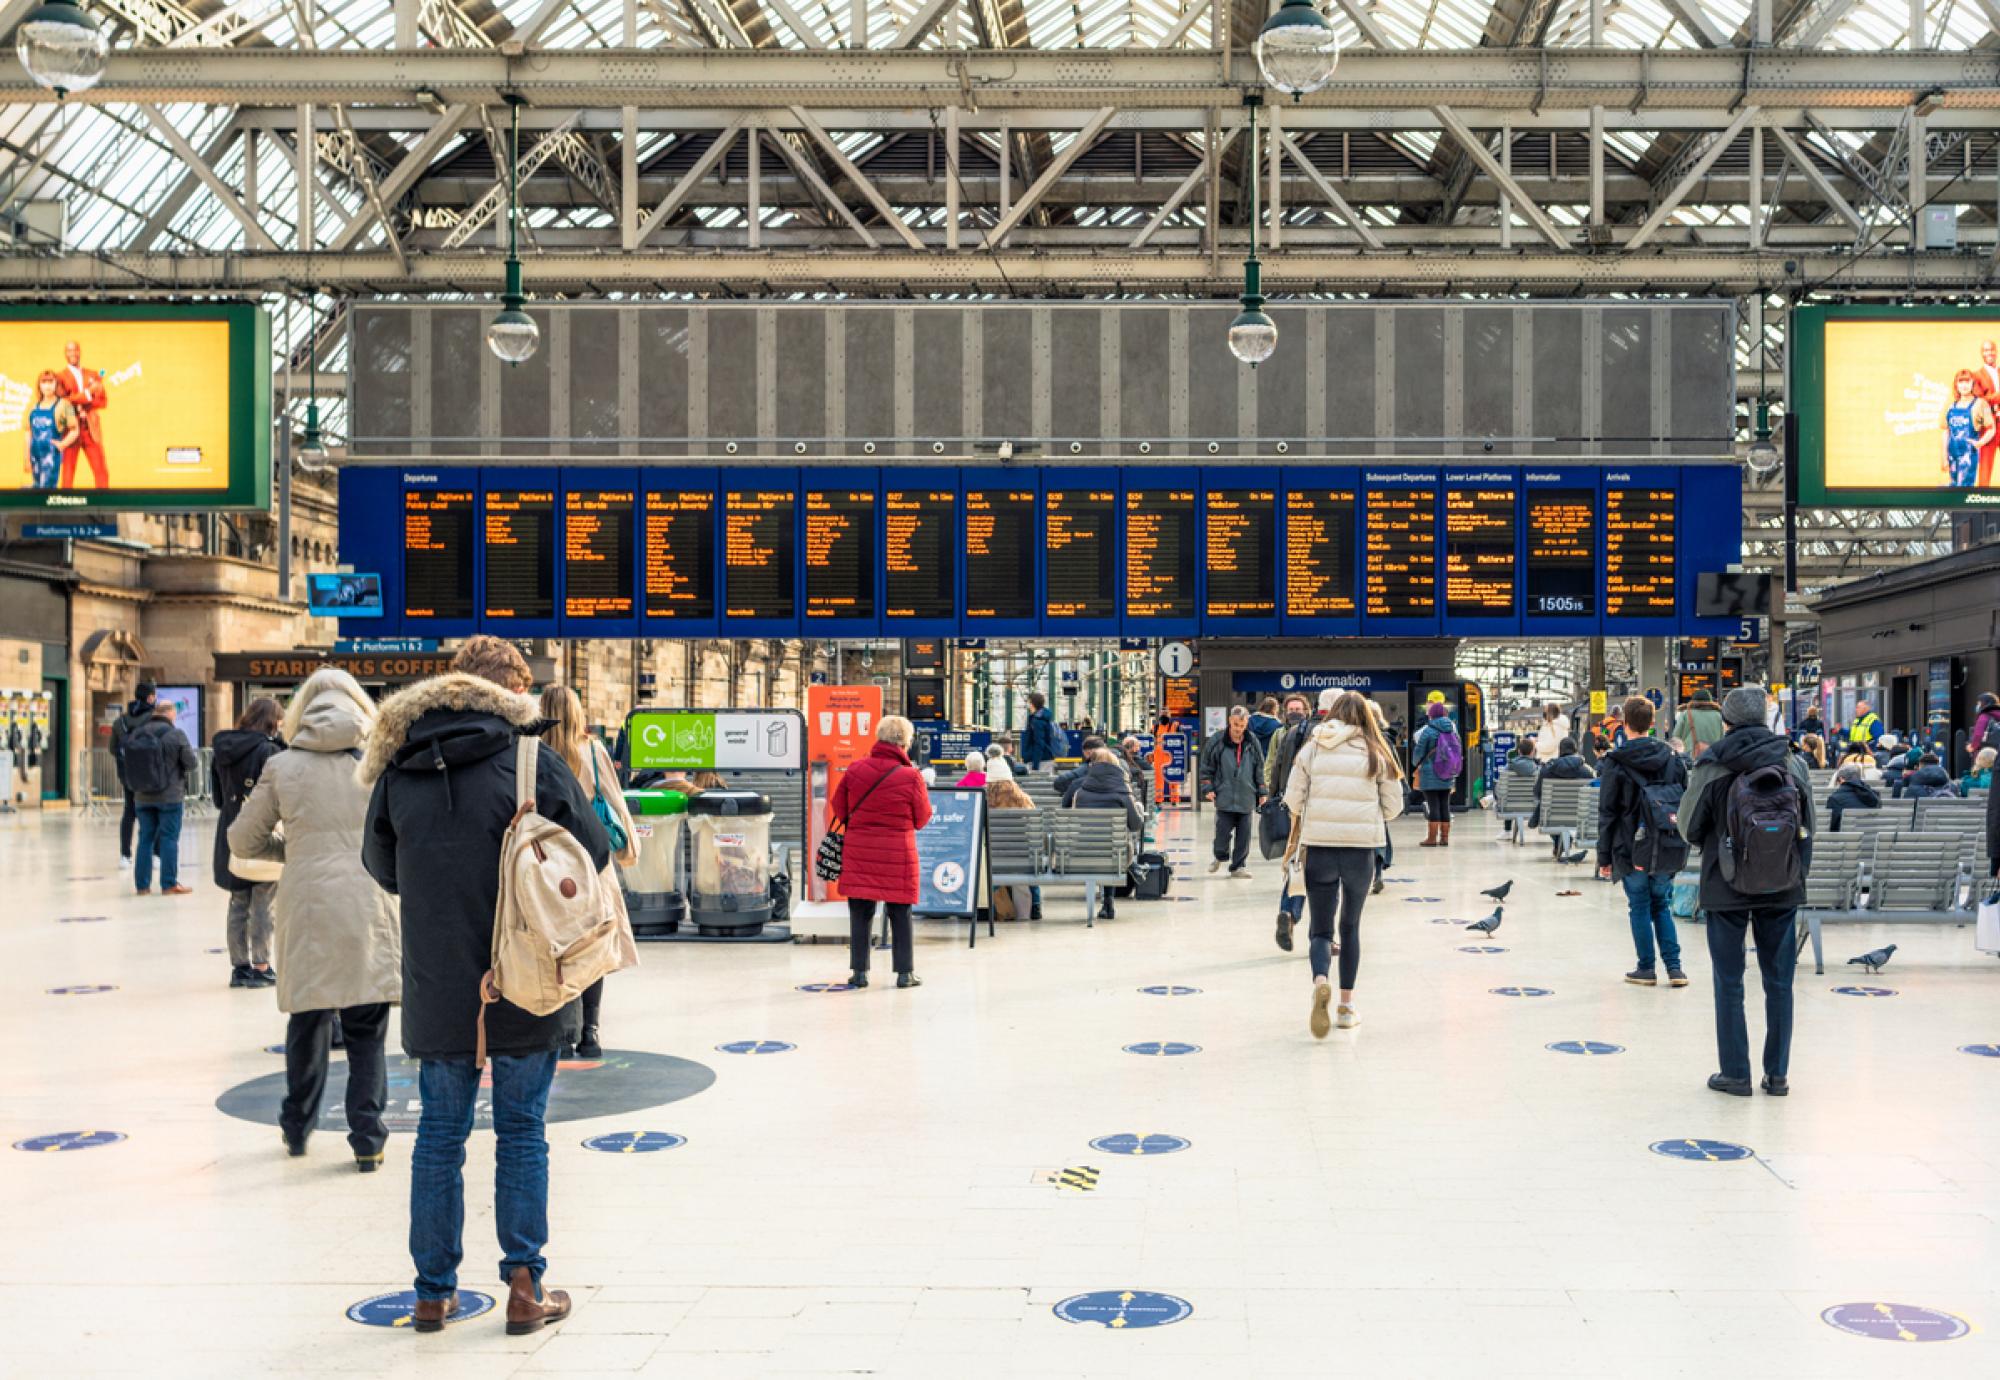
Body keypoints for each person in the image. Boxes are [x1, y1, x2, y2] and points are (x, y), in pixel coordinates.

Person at [360, 635, 608, 1334]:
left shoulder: (398, 767)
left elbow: (380, 865)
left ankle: (432, 1293)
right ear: (514, 694)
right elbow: (593, 849)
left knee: (439, 1135)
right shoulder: (534, 762)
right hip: (526, 975)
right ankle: (526, 1288)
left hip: (439, 982)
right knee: (522, 1130)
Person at [229, 669, 401, 1170]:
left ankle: (297, 1124)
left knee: (308, 1018)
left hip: (306, 903)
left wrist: (293, 850)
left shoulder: (282, 766)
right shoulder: (378, 763)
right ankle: (368, 1137)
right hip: (370, 901)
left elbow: (241, 841)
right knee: (367, 1026)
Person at [1682, 686, 1813, 1099]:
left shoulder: (1713, 764)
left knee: (1730, 981)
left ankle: (1735, 1074)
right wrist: (1795, 875)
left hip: (1726, 884)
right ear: (1765, 719)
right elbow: (1808, 826)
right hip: (1782, 885)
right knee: (1780, 983)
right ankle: (1777, 1076)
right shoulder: (1793, 762)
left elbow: (1688, 827)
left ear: (1727, 722)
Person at [1281, 691, 1402, 1037]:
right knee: (1350, 926)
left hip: (1319, 847)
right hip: (1360, 852)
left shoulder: (1313, 746)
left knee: (1321, 929)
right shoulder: (1377, 749)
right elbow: (1393, 807)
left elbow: (1292, 798)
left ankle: (1321, 980)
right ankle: (1346, 1007)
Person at [539, 686, 640, 1061]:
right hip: (592, 865)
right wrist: (629, 851)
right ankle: (590, 1032)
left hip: (547, 867)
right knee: (593, 946)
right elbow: (615, 802)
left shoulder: (533, 753)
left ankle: (563, 1034)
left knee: (559, 948)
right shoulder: (593, 752)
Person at [831, 715, 931, 989]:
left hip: (860, 851)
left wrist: (861, 824)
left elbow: (838, 807)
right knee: (900, 913)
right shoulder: (911, 776)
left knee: (860, 912)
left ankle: (860, 973)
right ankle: (904, 973)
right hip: (897, 855)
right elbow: (922, 818)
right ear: (905, 743)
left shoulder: (855, 769)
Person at [1595, 696, 1689, 989]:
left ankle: (1646, 969)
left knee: (1639, 905)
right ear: (1653, 723)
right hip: (1666, 842)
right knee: (1662, 903)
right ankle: (1675, 970)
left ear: (1624, 724)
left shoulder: (1615, 761)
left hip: (1630, 845)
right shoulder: (1673, 759)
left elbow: (1608, 812)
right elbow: (1684, 802)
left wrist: (1604, 857)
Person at [211, 696, 285, 989]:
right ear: (271, 721)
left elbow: (217, 798)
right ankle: (262, 965)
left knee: (238, 899)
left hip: (230, 829)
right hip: (262, 831)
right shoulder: (270, 752)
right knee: (264, 900)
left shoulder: (222, 749)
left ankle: (239, 967)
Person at [127, 699, 198, 896]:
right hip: (170, 796)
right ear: (171, 714)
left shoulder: (138, 733)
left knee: (145, 839)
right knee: (169, 838)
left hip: (142, 795)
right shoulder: (176, 734)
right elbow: (192, 763)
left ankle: (142, 886)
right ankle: (168, 884)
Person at [1067, 746, 1144, 920]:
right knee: (1113, 846)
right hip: (1117, 854)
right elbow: (1135, 825)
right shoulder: (1123, 791)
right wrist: (1139, 810)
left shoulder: (1080, 792)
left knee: (1098, 844)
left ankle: (1105, 901)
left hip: (1082, 851)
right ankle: (1108, 901)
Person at [1200, 706, 1265, 877]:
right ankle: (1219, 856)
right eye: (1236, 724)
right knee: (1222, 834)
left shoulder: (1252, 741)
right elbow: (1206, 766)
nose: (1238, 729)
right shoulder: (1217, 740)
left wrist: (1262, 792)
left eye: (1242, 725)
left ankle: (1238, 866)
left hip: (1246, 796)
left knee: (1244, 837)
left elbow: (1260, 768)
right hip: (1224, 796)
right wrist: (1208, 787)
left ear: (1246, 724)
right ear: (1230, 721)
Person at [108, 680, 158, 871]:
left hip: (128, 775)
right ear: (150, 697)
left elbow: (112, 748)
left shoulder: (120, 722)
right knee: (154, 813)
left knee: (129, 812)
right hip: (151, 774)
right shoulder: (154, 719)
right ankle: (155, 855)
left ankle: (125, 855)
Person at [984, 758, 1038, 920]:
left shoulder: (984, 799)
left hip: (991, 856)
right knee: (1021, 882)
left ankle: (996, 911)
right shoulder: (1023, 799)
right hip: (1020, 855)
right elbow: (1034, 829)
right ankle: (1024, 916)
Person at [55, 339, 109, 489]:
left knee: (101, 472)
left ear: (80, 352)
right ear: (65, 354)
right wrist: (87, 393)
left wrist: (83, 404)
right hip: (71, 430)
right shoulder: (59, 377)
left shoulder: (93, 374)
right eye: (69, 350)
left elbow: (103, 401)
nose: (73, 353)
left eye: (75, 350)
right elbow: (63, 402)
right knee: (68, 474)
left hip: (90, 429)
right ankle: (65, 509)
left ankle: (103, 506)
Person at [1411, 700, 1463, 847]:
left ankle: (1432, 838)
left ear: (1431, 715)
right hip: (1447, 772)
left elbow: (1419, 752)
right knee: (1445, 805)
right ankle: (1445, 838)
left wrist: (1416, 764)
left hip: (1430, 772)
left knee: (1433, 805)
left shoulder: (1428, 731)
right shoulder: (1452, 730)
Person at [1940, 368, 1997, 488]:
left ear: (1973, 384)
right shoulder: (1951, 405)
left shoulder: (1980, 404)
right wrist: (1944, 457)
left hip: (1968, 455)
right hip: (1952, 454)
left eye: (1967, 382)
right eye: (1961, 382)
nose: (1964, 385)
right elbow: (1945, 432)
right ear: (1956, 384)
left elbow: (1992, 428)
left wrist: (1980, 442)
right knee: (1954, 486)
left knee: (1963, 489)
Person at [1531, 736, 1594, 843]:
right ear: (1575, 750)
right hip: (1580, 818)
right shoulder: (1586, 772)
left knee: (1546, 805)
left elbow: (1537, 792)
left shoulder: (1547, 770)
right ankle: (1563, 845)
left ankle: (1558, 843)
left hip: (1551, 818)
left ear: (1560, 750)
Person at [23, 370, 78, 489]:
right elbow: (28, 432)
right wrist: (27, 457)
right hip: (34, 455)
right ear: (39, 385)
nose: (47, 385)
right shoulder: (32, 406)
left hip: (51, 456)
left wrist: (63, 444)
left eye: (50, 381)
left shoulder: (66, 405)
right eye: (44, 382)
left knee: (47, 490)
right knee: (37, 486)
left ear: (56, 384)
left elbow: (75, 430)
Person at [1263, 691, 1316, 797]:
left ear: (1305, 712)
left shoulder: (1313, 732)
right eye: (1291, 710)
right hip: (1284, 788)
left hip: (1306, 788)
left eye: (1297, 709)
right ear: (1286, 712)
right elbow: (1270, 761)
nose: (1294, 712)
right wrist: (1269, 785)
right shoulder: (1278, 734)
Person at [1825, 763, 1881, 832]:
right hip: (1872, 839)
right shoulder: (1874, 796)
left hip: (1846, 840)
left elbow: (1832, 827)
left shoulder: (1834, 799)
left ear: (1841, 779)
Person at [1682, 688, 1726, 760]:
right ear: (1710, 701)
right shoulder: (1718, 715)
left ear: (1693, 701)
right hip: (1712, 757)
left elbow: (1676, 736)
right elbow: (1722, 739)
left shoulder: (1686, 714)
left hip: (1690, 756)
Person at [1022, 691, 1056, 773]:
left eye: (1029, 702)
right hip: (1045, 757)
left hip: (1039, 760)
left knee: (1035, 784)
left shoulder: (1037, 721)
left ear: (1032, 704)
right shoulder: (1043, 717)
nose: (1028, 705)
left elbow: (1039, 743)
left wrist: (1035, 765)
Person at [1969, 693, 2000, 770]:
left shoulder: (1984, 716)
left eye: (1979, 703)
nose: (1978, 706)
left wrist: (1972, 747)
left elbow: (1978, 735)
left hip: (1985, 755)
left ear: (1985, 703)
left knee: (1980, 777)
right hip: (1998, 756)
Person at [1119, 735, 1149, 807]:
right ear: (1133, 748)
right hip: (1132, 798)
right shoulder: (1137, 761)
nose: (1139, 749)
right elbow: (1150, 769)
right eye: (1137, 746)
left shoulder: (1117, 759)